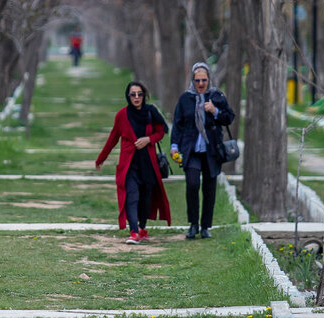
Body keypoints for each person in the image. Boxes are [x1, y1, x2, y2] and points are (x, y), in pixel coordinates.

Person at [95, 82, 172, 244]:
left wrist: (148, 140)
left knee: (146, 198)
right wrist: (101, 158)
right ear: (128, 96)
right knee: (132, 196)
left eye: (139, 94)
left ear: (144, 95)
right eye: (133, 94)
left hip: (148, 164)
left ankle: (142, 227)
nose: (136, 97)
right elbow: (113, 138)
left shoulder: (151, 112)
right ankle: (134, 231)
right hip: (129, 165)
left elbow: (162, 131)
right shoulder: (122, 115)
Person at [170, 63, 235, 240]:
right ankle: (193, 224)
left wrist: (215, 111)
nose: (200, 83)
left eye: (204, 80)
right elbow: (178, 124)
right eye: (197, 80)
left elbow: (229, 117)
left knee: (209, 189)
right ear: (192, 80)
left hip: (211, 151)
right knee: (192, 184)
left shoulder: (216, 96)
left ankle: (206, 226)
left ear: (209, 80)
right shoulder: (185, 99)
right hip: (191, 151)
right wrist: (174, 146)